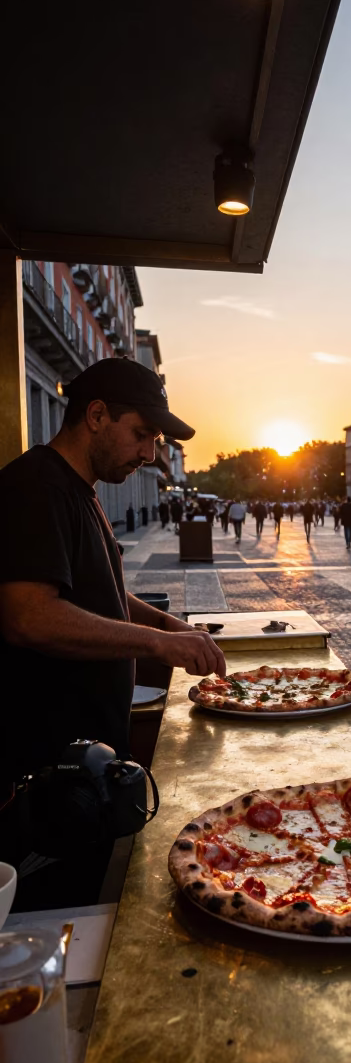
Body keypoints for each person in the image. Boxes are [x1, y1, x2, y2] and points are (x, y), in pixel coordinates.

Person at [0, 358, 226, 907]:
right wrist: (156, 644)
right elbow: (29, 614)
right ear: (96, 415)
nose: (150, 453)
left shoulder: (81, 490)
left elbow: (97, 593)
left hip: (90, 765)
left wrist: (169, 624)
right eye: (142, 435)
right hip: (48, 781)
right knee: (60, 920)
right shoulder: (36, 488)